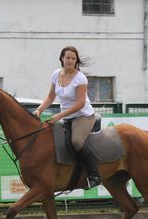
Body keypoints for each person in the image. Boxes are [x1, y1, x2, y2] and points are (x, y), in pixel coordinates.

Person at [33, 46, 101, 189]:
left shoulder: (80, 78)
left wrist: (59, 115)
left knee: (76, 141)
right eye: (67, 57)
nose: (70, 60)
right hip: (66, 117)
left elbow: (81, 103)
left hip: (83, 116)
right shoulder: (55, 74)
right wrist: (39, 109)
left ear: (76, 61)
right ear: (62, 58)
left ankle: (95, 175)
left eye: (73, 58)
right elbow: (51, 97)